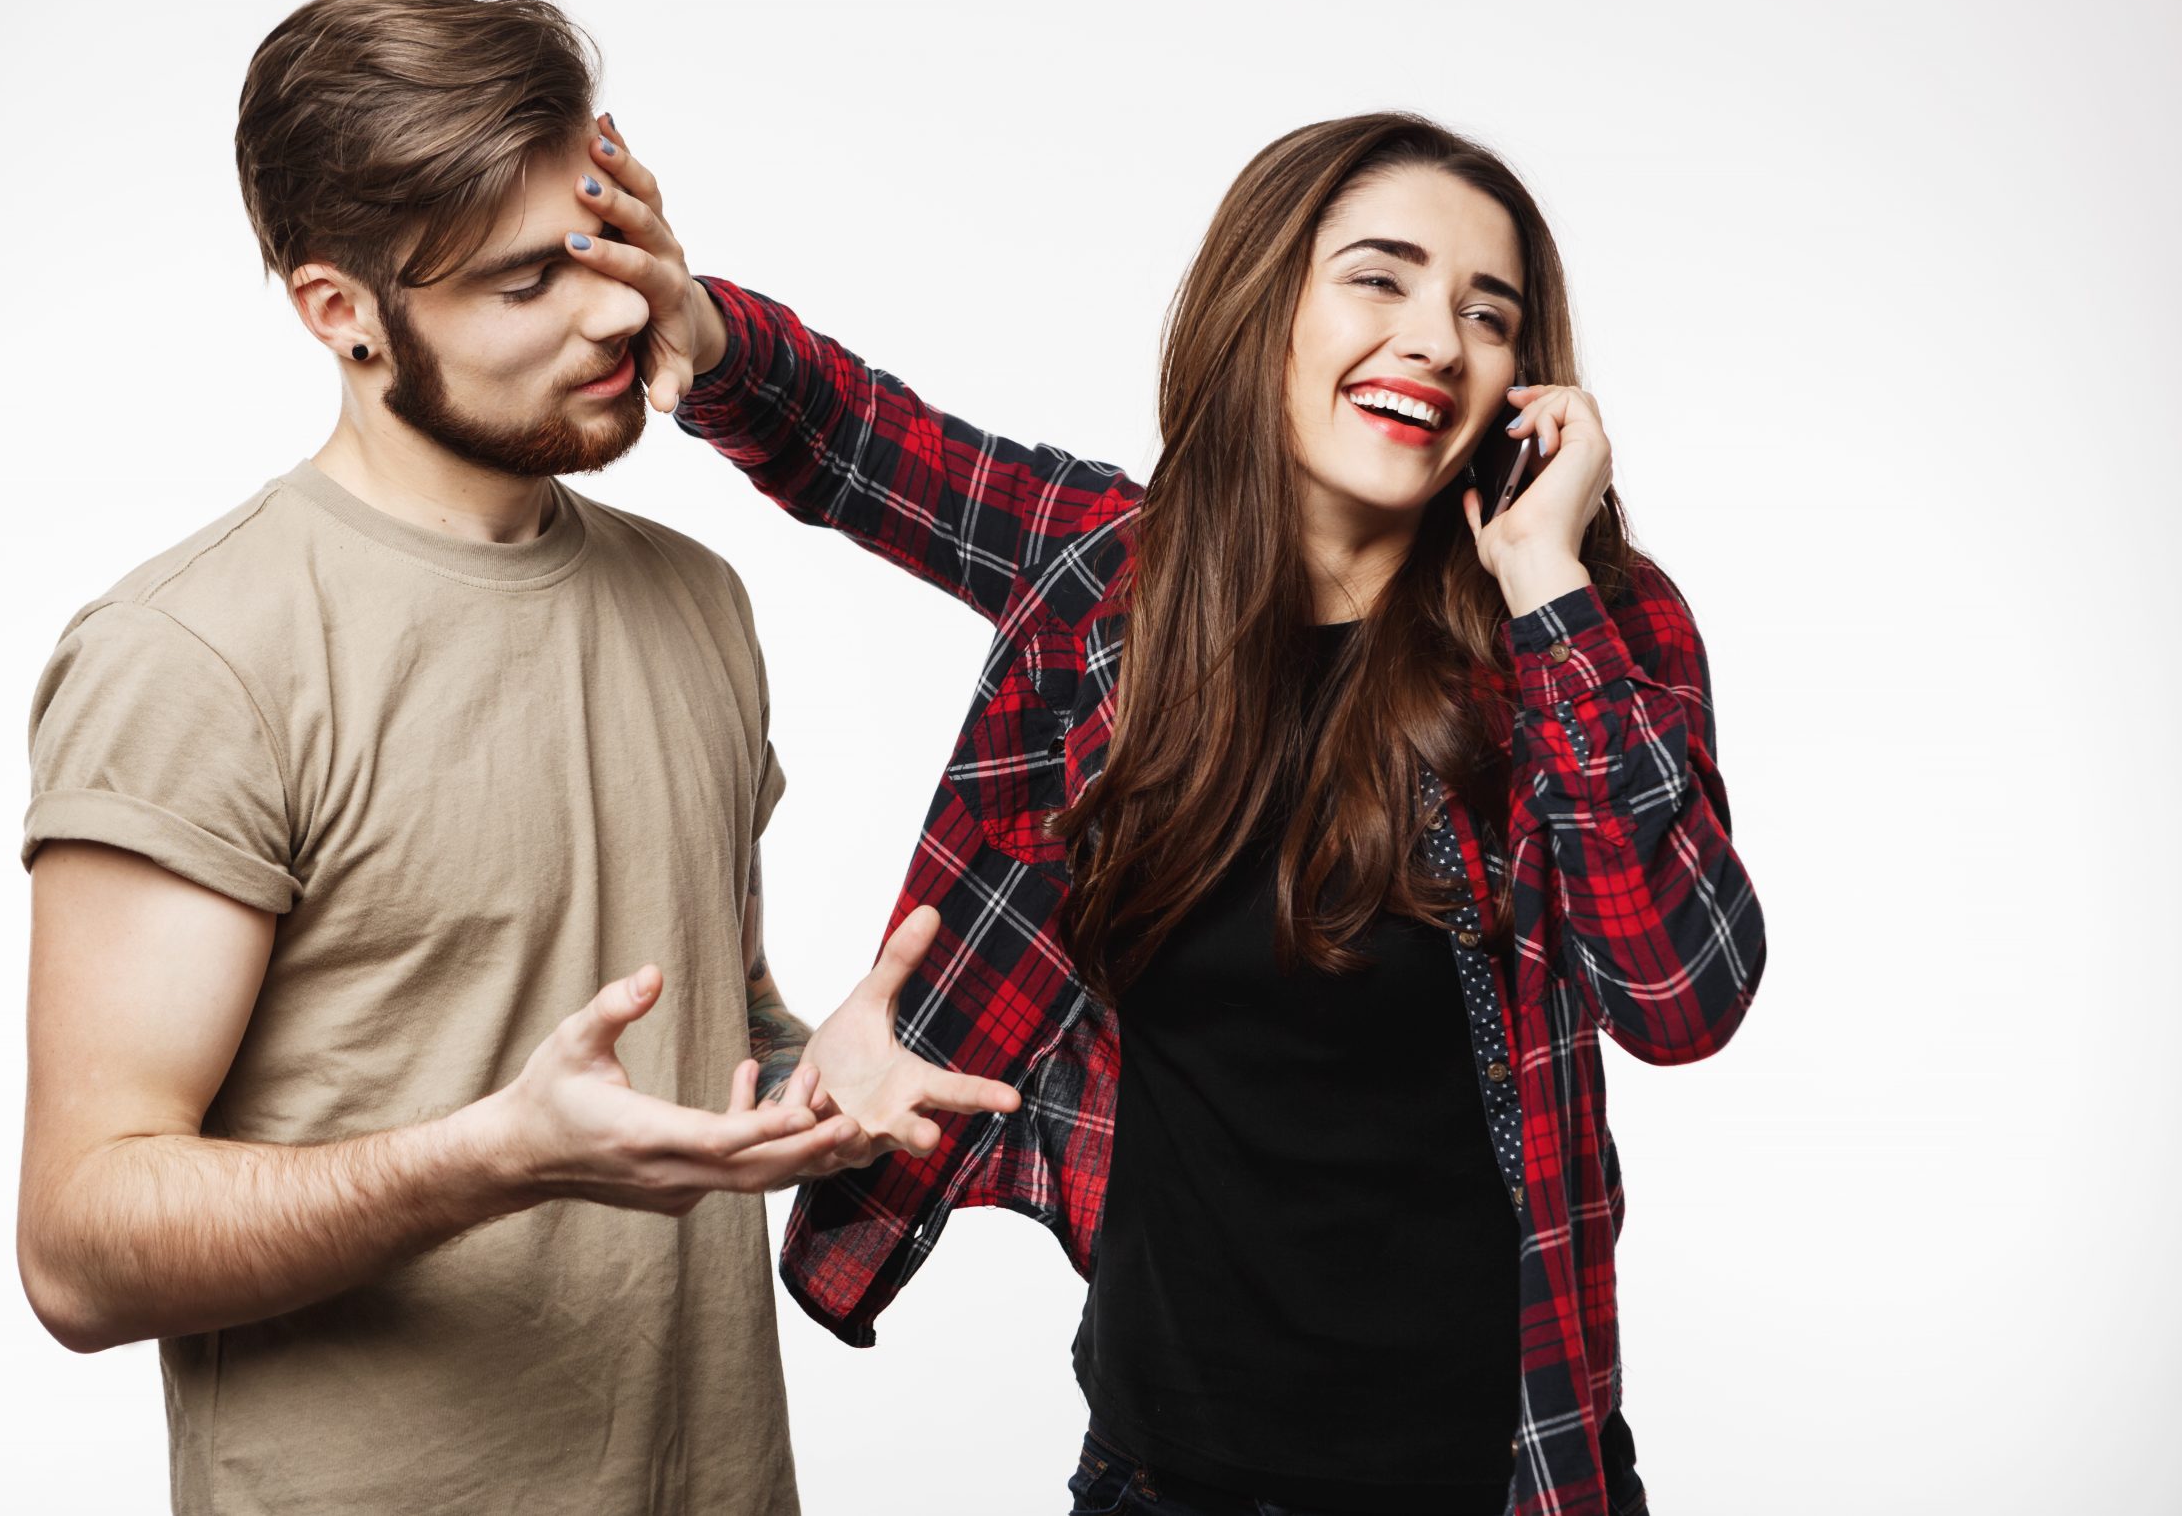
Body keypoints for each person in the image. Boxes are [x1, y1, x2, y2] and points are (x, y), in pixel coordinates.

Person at [557, 111, 1766, 1516]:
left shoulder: (1589, 636)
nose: (1437, 337)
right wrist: (698, 327)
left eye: (1486, 314)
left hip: (1501, 1478)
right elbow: (863, 446)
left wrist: (1548, 583)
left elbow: (1683, 996)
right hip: (1157, 1475)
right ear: (1265, 309)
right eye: (1380, 278)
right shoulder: (1115, 585)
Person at [15, 0, 1014, 1516]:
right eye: (520, 282)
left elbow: (705, 1030)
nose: (618, 310)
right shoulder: (197, 654)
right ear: (343, 312)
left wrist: (813, 1076)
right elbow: (80, 1245)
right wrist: (492, 1155)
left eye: (600, 246)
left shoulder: (696, 601)